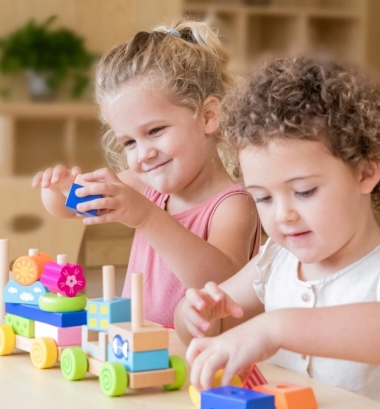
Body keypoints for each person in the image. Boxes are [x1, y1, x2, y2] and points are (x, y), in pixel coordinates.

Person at [176, 57, 380, 409]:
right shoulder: (276, 261)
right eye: (262, 197)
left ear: (366, 171)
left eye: (304, 191)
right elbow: (216, 326)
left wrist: (276, 327)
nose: (282, 215)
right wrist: (194, 315)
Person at [33, 20, 261, 326]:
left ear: (208, 116)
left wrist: (147, 217)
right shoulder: (145, 183)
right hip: (137, 350)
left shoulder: (233, 205)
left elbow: (222, 285)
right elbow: (69, 209)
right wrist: (59, 189)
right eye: (129, 142)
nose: (144, 153)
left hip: (202, 365)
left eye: (155, 130)